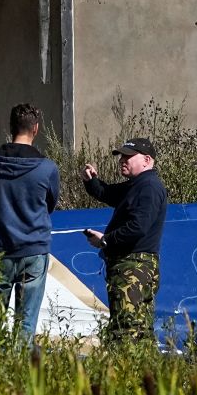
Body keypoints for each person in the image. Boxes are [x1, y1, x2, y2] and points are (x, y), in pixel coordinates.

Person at [0, 103, 61, 342]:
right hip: (33, 249)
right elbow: (49, 205)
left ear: (10, 127)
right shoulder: (47, 168)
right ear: (36, 129)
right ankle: (22, 374)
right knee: (25, 324)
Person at [82, 137, 168, 343]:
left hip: (134, 267)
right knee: (139, 331)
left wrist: (106, 240)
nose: (122, 160)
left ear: (147, 160)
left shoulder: (148, 187)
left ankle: (124, 372)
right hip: (133, 266)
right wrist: (91, 181)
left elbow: (138, 227)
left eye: (128, 156)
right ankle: (144, 372)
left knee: (126, 331)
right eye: (121, 156)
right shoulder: (137, 185)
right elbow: (107, 193)